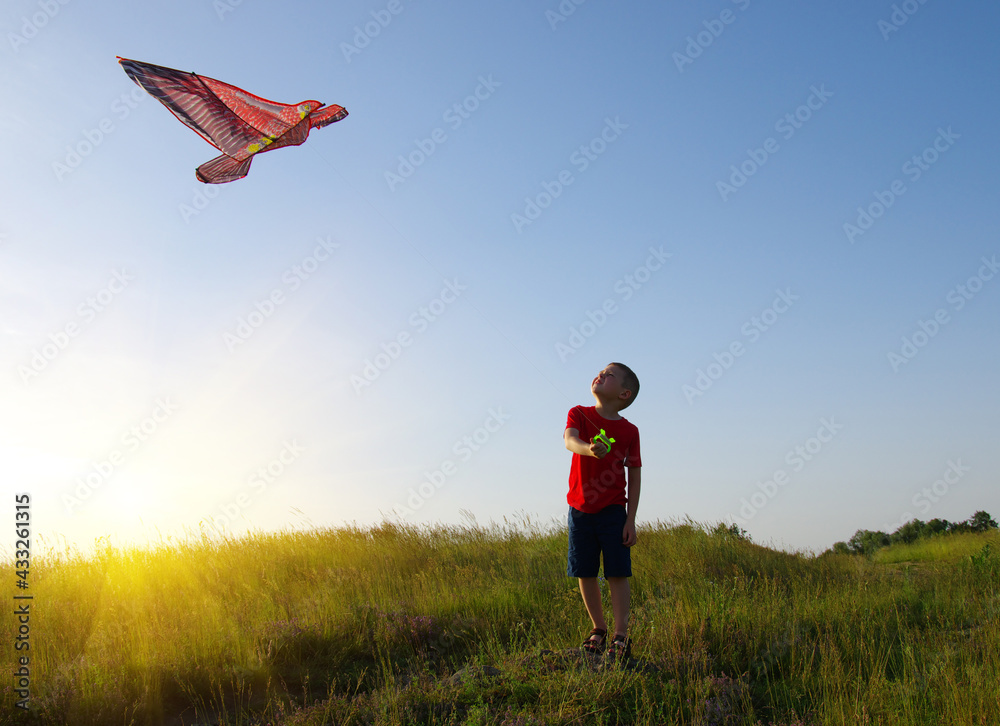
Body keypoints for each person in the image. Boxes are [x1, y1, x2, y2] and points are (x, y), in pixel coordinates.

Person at [563, 362, 641, 660]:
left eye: (609, 375)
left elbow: (634, 473)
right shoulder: (579, 413)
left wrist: (630, 519)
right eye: (600, 371)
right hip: (579, 510)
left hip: (612, 511)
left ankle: (621, 634)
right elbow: (570, 440)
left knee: (617, 572)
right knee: (584, 571)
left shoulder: (629, 431)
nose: (600, 375)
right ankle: (598, 628)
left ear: (624, 393)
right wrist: (589, 449)